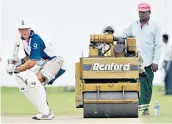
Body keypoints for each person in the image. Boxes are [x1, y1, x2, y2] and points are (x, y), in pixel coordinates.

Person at [6, 20, 66, 120]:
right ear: (19, 31)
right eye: (21, 29)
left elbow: (32, 62)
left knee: (36, 81)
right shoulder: (24, 41)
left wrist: (17, 69)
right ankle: (45, 111)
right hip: (45, 63)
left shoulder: (35, 39)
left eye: (26, 29)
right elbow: (29, 56)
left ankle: (47, 112)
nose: (24, 31)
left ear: (30, 29)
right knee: (29, 82)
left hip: (56, 61)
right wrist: (19, 61)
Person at [123, 3, 162, 116]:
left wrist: (156, 61)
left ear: (149, 12)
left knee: (147, 87)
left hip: (148, 62)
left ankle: (145, 110)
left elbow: (158, 45)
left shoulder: (155, 27)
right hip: (134, 62)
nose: (141, 14)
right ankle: (131, 107)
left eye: (144, 12)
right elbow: (124, 34)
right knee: (132, 84)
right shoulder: (133, 25)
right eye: (140, 12)